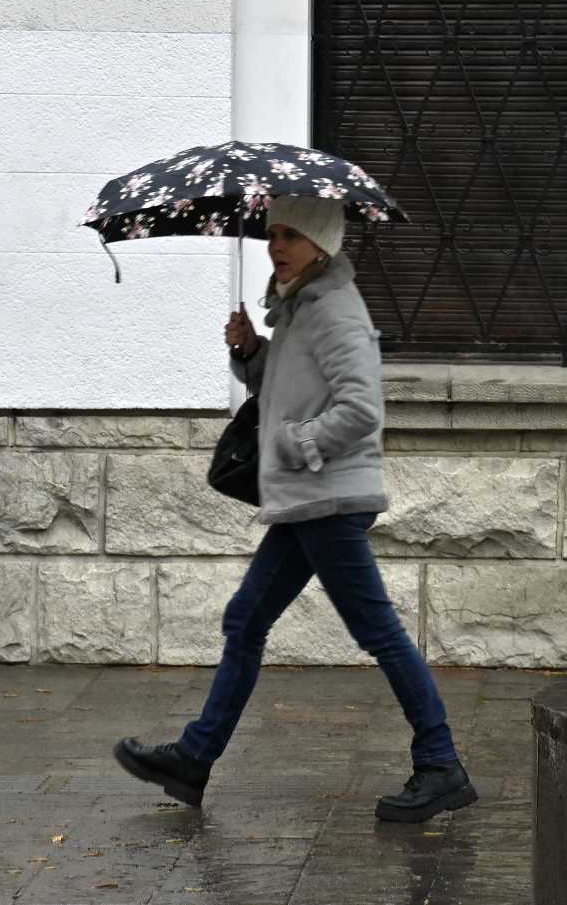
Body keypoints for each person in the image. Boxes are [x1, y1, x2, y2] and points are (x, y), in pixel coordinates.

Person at [114, 194, 475, 822]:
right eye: (273, 233)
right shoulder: (298, 309)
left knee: (376, 632)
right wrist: (252, 352)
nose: (277, 245)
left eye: (291, 235)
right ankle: (194, 759)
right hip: (308, 498)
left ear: (322, 244)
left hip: (328, 497)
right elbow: (283, 392)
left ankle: (441, 764)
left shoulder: (334, 311)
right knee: (246, 620)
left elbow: (363, 410)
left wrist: (294, 442)